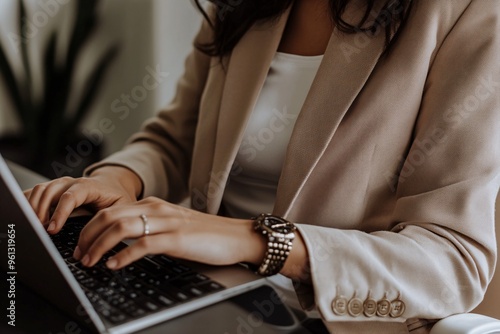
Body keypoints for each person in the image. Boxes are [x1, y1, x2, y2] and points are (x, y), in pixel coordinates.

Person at [25, 0, 500, 333]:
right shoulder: (241, 6)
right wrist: (116, 180)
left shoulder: (468, 12)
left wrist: (255, 239)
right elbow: (176, 136)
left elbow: (455, 261)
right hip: (206, 290)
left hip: (339, 320)